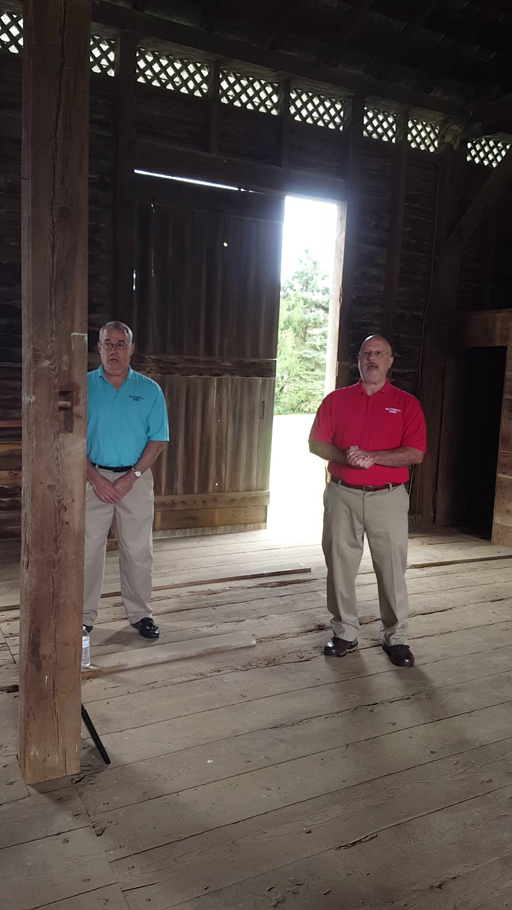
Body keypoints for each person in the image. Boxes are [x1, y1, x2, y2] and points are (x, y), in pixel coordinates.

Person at [309, 335, 426, 668]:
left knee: (391, 567)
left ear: (390, 361)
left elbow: (415, 452)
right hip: (342, 494)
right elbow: (316, 443)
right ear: (359, 359)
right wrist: (349, 457)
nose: (372, 359)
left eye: (379, 354)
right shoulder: (336, 400)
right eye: (366, 353)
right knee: (339, 564)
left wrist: (373, 457)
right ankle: (345, 632)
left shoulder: (406, 403)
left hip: (388, 497)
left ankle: (396, 637)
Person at [83, 321, 169, 640]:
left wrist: (130, 477)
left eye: (121, 344)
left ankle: (140, 613)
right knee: (88, 549)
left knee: (137, 549)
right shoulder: (84, 386)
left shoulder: (148, 390)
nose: (114, 350)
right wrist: (95, 477)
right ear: (99, 348)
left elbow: (158, 440)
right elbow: (72, 437)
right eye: (108, 343)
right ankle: (82, 616)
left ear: (131, 349)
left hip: (136, 478)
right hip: (92, 479)